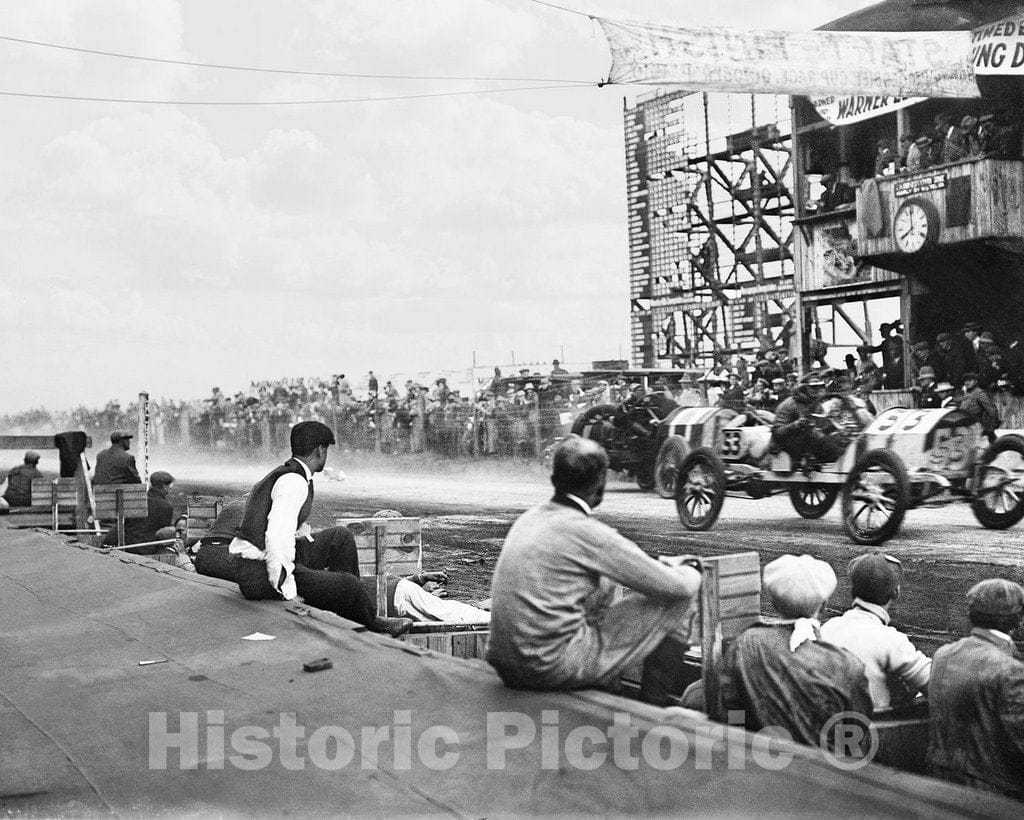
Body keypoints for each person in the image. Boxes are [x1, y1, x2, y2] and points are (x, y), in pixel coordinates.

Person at [487, 436, 703, 705]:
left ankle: (611, 686)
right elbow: (679, 586)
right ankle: (653, 704)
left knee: (603, 586)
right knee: (681, 599)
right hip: (547, 667)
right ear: (600, 484)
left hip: (506, 663)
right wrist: (692, 568)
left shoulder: (529, 519)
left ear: (554, 479)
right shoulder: (589, 533)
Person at [228, 420, 413, 636]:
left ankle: (349, 613)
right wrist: (286, 591)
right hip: (260, 575)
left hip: (257, 564)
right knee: (349, 585)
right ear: (320, 450)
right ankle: (366, 622)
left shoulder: (288, 473)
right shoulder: (293, 482)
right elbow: (277, 538)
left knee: (339, 537)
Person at [716, 554, 871, 751]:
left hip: (758, 767)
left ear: (773, 604)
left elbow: (731, 713)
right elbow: (856, 741)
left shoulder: (745, 644)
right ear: (823, 606)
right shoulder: (847, 665)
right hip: (823, 775)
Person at [927, 578, 1024, 800]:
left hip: (937, 781)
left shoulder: (943, 654)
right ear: (1017, 620)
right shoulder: (1009, 670)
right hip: (992, 792)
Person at [820, 552, 931, 711]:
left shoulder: (828, 627)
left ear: (853, 591)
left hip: (828, 723)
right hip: (873, 729)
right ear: (896, 593)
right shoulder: (890, 639)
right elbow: (936, 684)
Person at [770, 373, 847, 470]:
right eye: (813, 387)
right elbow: (777, 432)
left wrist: (833, 426)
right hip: (786, 448)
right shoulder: (789, 404)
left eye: (819, 386)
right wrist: (797, 424)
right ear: (804, 388)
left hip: (807, 445)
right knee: (819, 439)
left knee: (837, 439)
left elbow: (821, 428)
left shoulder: (814, 403)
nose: (817, 390)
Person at [105, 470, 178, 550]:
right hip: (149, 549)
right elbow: (164, 533)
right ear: (164, 486)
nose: (171, 487)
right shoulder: (166, 507)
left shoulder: (137, 501)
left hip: (128, 546)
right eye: (170, 484)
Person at [955, 372, 1000, 444]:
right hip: (967, 430)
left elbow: (993, 411)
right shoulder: (966, 395)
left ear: (975, 381)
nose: (967, 382)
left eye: (970, 380)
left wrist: (990, 428)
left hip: (979, 431)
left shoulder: (980, 394)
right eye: (965, 381)